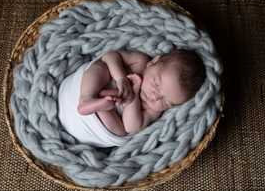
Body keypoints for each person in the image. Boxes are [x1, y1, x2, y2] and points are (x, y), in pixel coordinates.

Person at [76, 49, 206, 136]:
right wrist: (121, 78)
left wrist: (133, 96)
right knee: (101, 68)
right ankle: (87, 98)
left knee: (121, 131)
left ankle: (101, 106)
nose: (155, 96)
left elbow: (131, 127)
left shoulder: (153, 110)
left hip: (95, 125)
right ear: (153, 62)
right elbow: (110, 56)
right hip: (83, 87)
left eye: (166, 102)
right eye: (156, 83)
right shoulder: (139, 62)